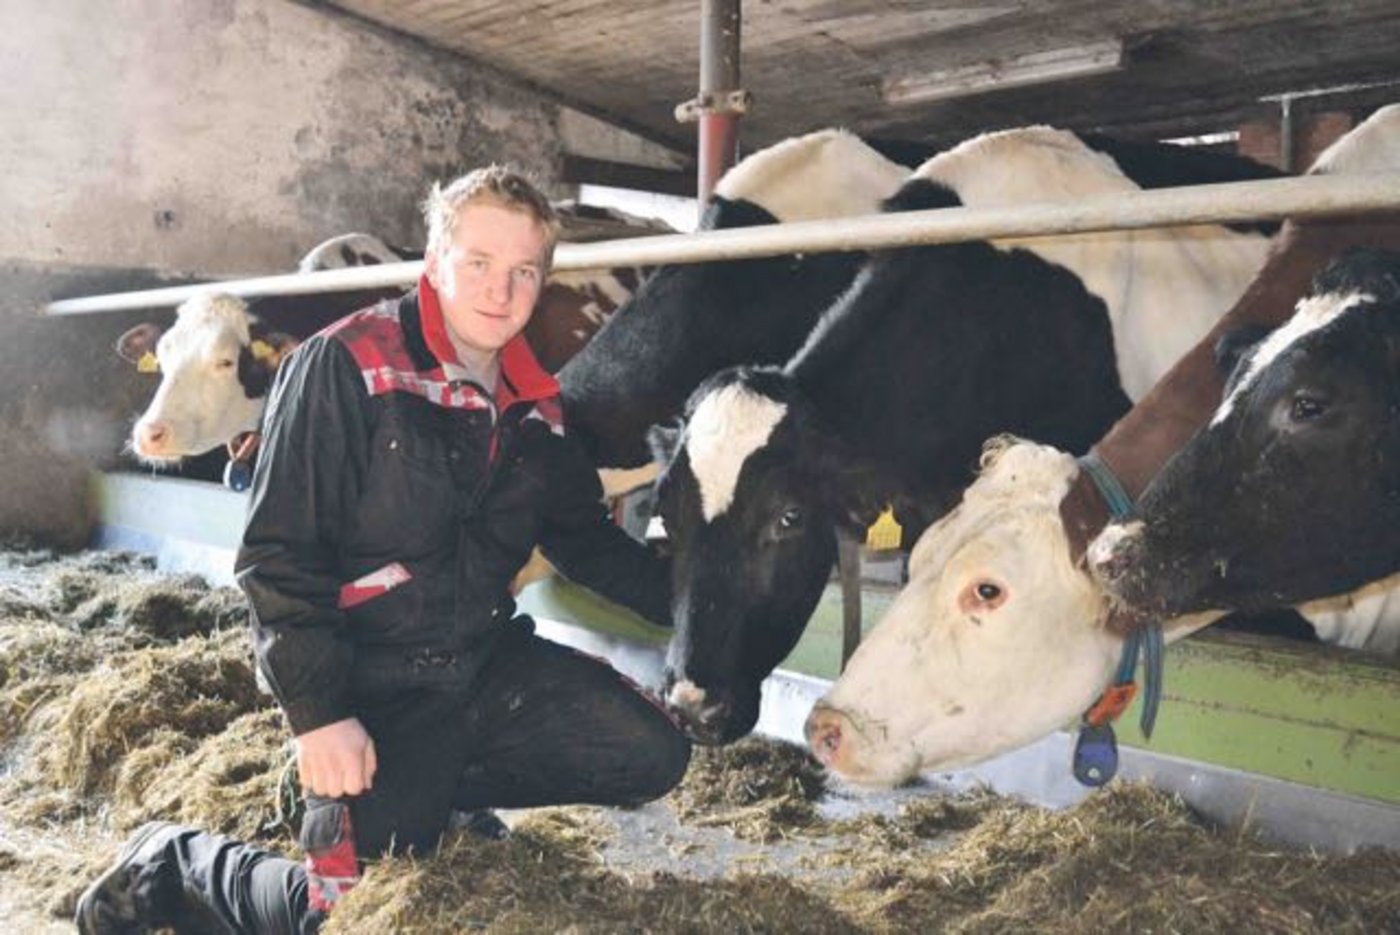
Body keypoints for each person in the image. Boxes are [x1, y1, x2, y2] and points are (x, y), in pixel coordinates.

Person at [75, 166, 692, 934]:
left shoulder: (536, 403)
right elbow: (278, 557)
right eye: (478, 262)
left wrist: (701, 598)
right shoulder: (344, 364)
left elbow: (582, 538)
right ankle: (174, 860)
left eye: (524, 271)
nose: (500, 290)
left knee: (652, 753)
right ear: (434, 260)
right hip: (368, 684)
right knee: (350, 916)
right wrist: (319, 717)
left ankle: (434, 796)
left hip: (481, 662)